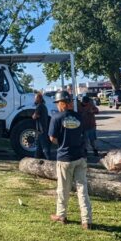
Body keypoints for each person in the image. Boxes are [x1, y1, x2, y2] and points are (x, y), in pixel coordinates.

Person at [48, 90, 93, 230]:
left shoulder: (56, 118)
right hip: (79, 157)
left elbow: (52, 138)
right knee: (82, 189)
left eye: (57, 103)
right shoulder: (78, 117)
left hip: (65, 158)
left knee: (63, 189)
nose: (57, 106)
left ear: (61, 103)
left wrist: (62, 142)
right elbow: (82, 135)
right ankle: (87, 220)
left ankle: (61, 215)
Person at [32, 91, 51, 160]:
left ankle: (49, 160)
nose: (34, 99)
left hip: (41, 129)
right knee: (38, 147)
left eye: (35, 98)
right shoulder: (44, 106)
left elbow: (34, 116)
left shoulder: (39, 106)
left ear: (39, 98)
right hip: (42, 129)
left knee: (44, 147)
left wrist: (34, 115)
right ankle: (36, 160)